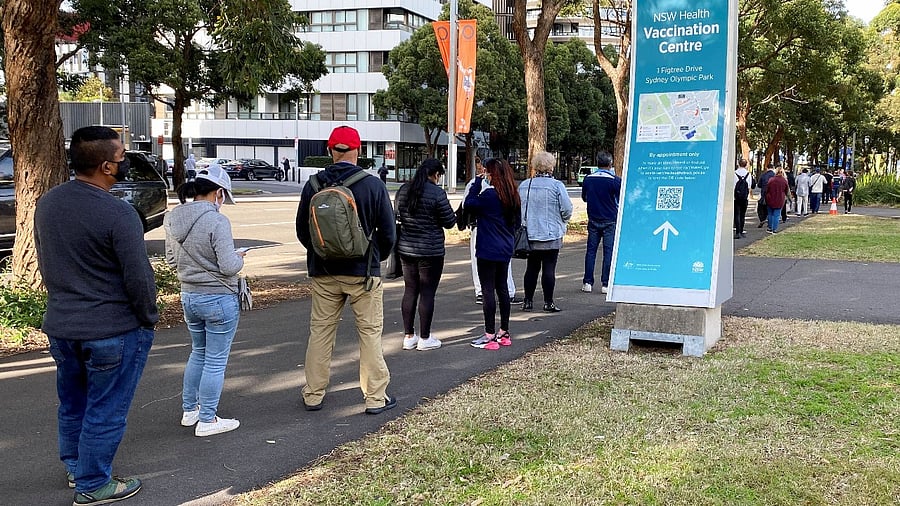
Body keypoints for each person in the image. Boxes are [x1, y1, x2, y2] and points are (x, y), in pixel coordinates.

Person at [34, 126, 158, 504]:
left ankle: (76, 468)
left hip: (63, 324)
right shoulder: (119, 213)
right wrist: (148, 316)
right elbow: (138, 277)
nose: (125, 163)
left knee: (73, 403)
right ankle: (93, 484)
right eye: (122, 158)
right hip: (112, 328)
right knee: (106, 409)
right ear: (106, 166)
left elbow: (45, 261)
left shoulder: (48, 203)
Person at [295, 125, 397, 414]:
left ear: (329, 151)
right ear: (358, 151)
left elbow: (303, 230)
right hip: (362, 272)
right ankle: (375, 397)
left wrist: (321, 253)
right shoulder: (372, 184)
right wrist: (375, 256)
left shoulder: (314, 184)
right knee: (369, 333)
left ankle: (313, 394)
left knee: (321, 332)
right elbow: (388, 233)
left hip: (323, 271)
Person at [164, 165, 245, 437]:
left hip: (189, 296)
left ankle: (191, 411)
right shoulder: (217, 221)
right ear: (218, 193)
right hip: (219, 298)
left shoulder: (172, 218)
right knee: (215, 360)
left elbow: (171, 261)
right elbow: (229, 267)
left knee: (198, 352)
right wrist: (240, 256)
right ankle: (208, 420)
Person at [395, 159, 457, 351]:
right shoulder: (437, 193)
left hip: (406, 248)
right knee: (427, 293)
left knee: (410, 290)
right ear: (436, 174)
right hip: (431, 251)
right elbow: (449, 222)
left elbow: (396, 214)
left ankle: (408, 336)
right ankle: (425, 337)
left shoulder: (404, 190)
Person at [464, 158, 520, 350]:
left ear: (491, 174)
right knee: (502, 288)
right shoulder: (513, 196)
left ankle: (489, 333)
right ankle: (504, 330)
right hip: (505, 247)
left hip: (487, 248)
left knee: (488, 290)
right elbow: (517, 223)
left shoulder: (489, 195)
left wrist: (477, 183)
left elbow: (469, 204)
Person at [518, 151, 573, 312]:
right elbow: (567, 209)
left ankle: (528, 300)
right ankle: (548, 302)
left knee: (531, 268)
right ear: (551, 167)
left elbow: (518, 208)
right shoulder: (557, 186)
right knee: (549, 269)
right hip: (551, 233)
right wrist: (563, 220)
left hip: (530, 233)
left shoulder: (525, 185)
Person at [581, 152, 621, 295]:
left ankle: (587, 282)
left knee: (591, 251)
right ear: (610, 164)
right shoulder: (615, 180)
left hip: (593, 218)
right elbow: (620, 199)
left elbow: (584, 198)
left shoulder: (588, 179)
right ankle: (605, 283)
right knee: (608, 252)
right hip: (610, 220)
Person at [765, 167, 790, 233]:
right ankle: (774, 229)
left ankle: (770, 227)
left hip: (770, 198)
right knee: (777, 215)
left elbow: (767, 189)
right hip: (780, 199)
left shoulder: (771, 180)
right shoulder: (784, 181)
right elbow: (786, 190)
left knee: (770, 214)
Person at [733, 159, 753, 239]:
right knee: (742, 214)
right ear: (746, 165)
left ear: (738, 164)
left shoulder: (734, 173)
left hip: (736, 197)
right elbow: (749, 186)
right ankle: (741, 230)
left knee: (737, 214)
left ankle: (737, 232)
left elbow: (733, 186)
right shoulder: (748, 174)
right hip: (745, 197)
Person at [756, 164, 776, 229]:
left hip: (764, 194)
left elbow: (759, 185)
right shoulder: (775, 175)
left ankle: (762, 219)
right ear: (773, 168)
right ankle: (769, 222)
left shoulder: (763, 175)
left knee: (760, 208)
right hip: (773, 195)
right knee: (771, 210)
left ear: (767, 168)